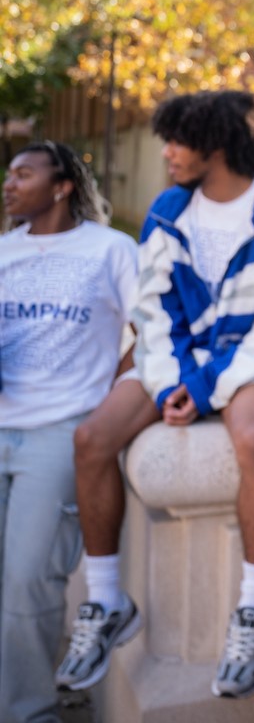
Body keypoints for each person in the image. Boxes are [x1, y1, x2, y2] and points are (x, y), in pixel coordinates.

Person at [54, 90, 254, 700]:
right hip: (176, 362)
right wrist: (177, 381)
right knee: (92, 438)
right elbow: (152, 307)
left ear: (219, 145)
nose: (167, 152)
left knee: (252, 437)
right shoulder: (169, 209)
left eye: (178, 140)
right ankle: (104, 600)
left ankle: (252, 610)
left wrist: (199, 390)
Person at [0, 142, 137, 723]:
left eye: (23, 173)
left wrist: (111, 403)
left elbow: (149, 333)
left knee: (30, 583)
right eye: (9, 174)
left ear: (61, 186)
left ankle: (28, 713)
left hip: (61, 432)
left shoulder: (110, 250)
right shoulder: (2, 252)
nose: (9, 183)